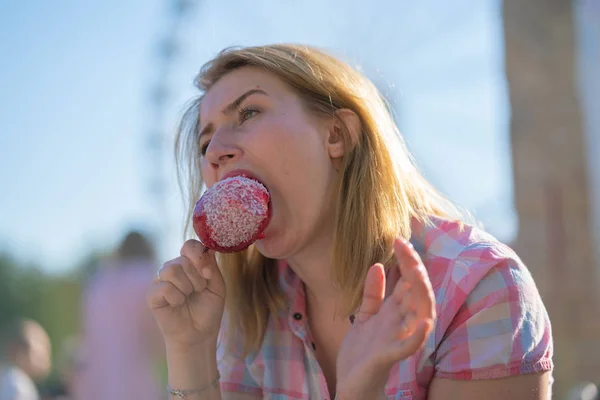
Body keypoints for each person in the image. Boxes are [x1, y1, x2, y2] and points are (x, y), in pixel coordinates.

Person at [147, 44, 554, 399]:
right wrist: (191, 352)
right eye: (204, 143)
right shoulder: (250, 317)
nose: (215, 151)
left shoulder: (478, 288)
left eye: (249, 112)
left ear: (337, 135)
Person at [74, 231, 164, 400]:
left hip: (93, 385)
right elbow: (157, 344)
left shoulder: (96, 282)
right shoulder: (148, 279)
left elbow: (83, 335)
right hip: (135, 384)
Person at [0, 319, 52, 400]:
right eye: (42, 349)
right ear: (18, 350)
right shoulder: (18, 385)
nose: (46, 357)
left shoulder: (8, 380)